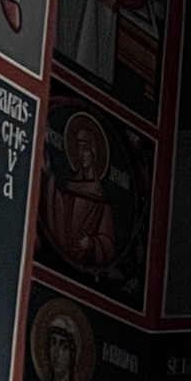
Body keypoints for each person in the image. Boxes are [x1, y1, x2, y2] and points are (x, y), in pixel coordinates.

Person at [41, 113, 118, 276]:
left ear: (94, 153)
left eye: (85, 149)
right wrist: (48, 176)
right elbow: (58, 212)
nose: (81, 153)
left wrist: (91, 243)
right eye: (78, 148)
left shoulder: (102, 202)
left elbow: (109, 244)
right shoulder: (71, 188)